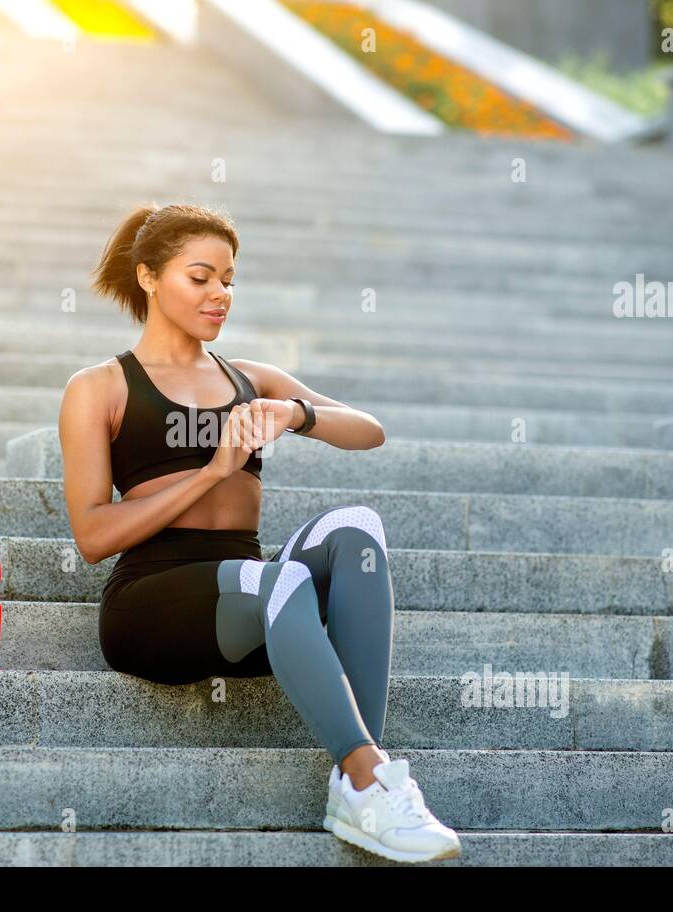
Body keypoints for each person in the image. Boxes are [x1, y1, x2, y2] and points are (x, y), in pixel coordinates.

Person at [58, 201, 460, 863]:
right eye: (201, 276)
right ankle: (366, 774)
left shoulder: (250, 379)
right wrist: (213, 470)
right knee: (279, 579)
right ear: (150, 278)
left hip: (257, 598)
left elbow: (370, 430)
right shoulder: (100, 388)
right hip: (155, 604)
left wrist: (297, 413)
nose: (221, 293)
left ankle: (361, 779)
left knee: (356, 529)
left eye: (229, 279)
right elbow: (94, 536)